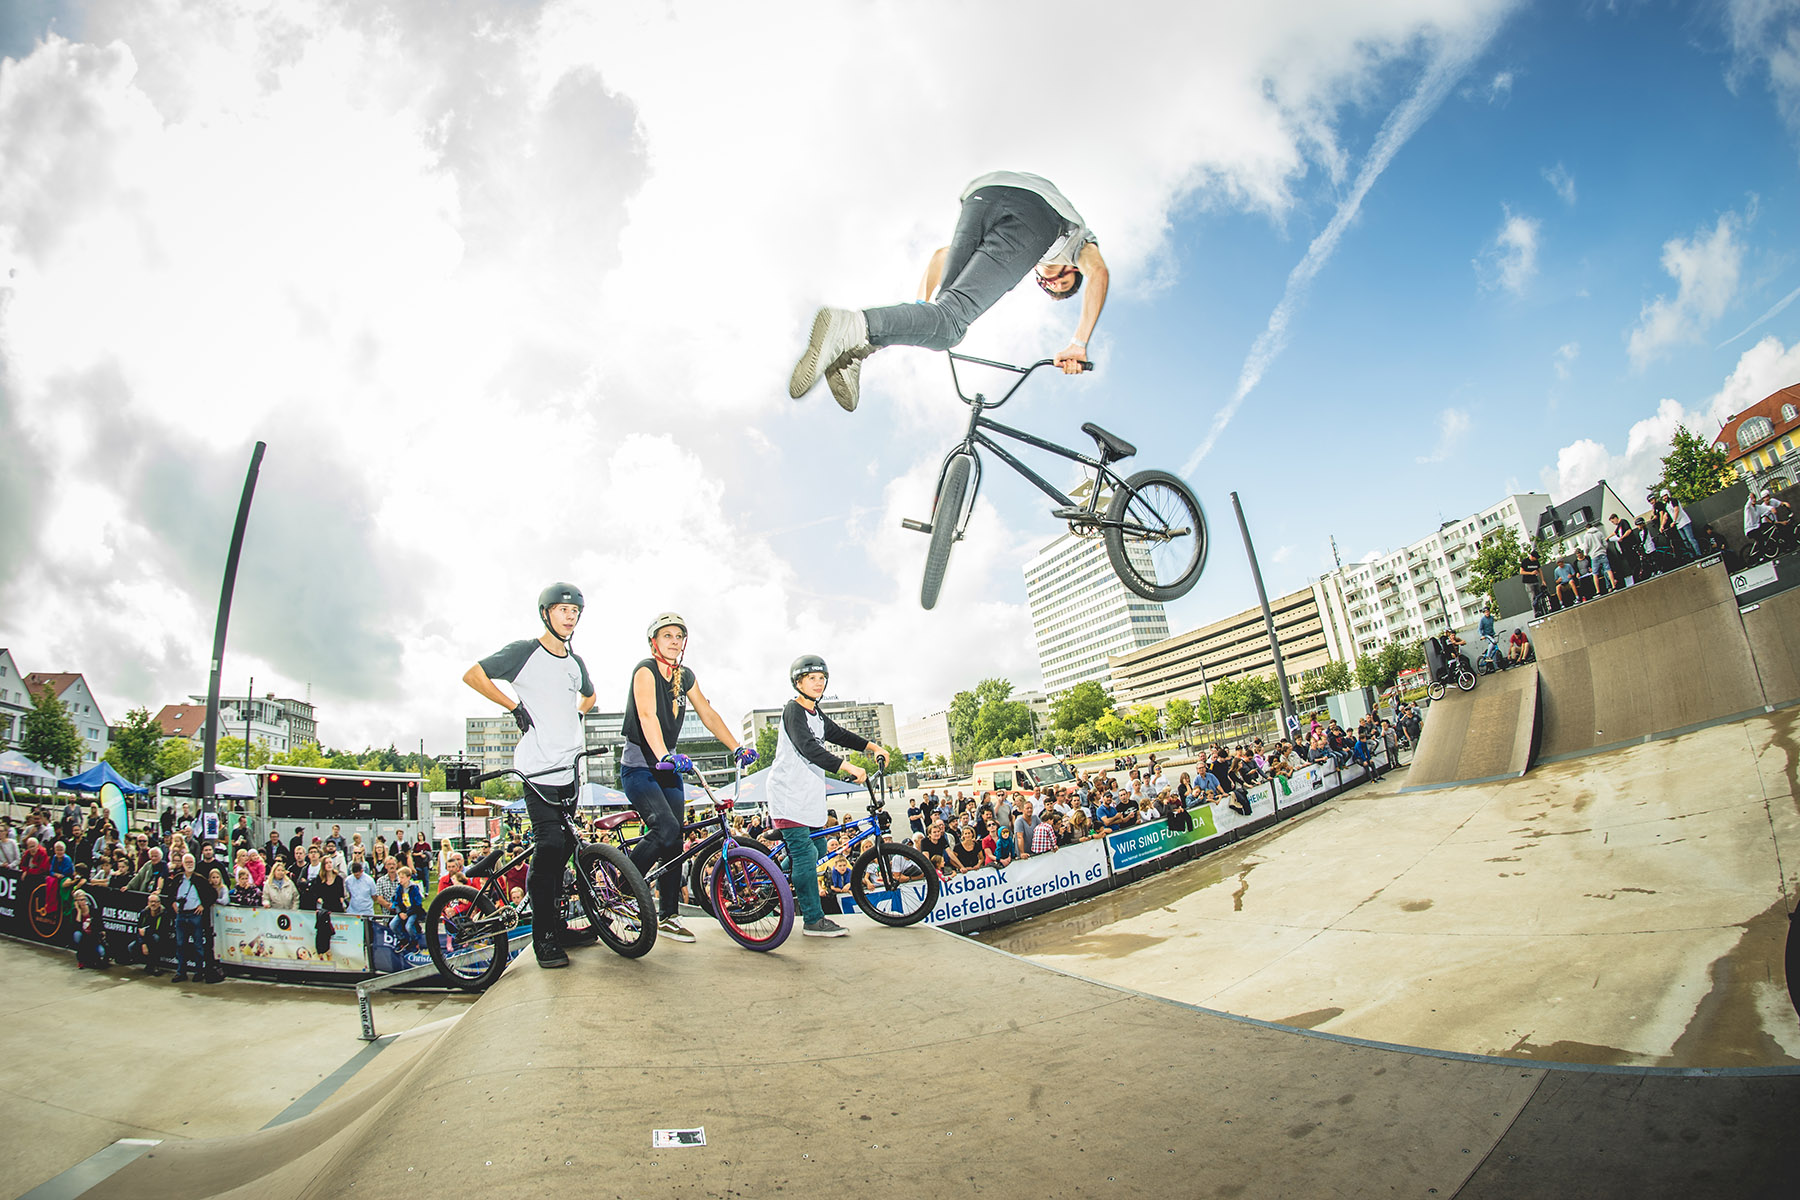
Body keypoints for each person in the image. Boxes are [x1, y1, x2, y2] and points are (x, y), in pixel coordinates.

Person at [789, 170, 1110, 412]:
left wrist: (919, 308)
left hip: (983, 193)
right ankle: (853, 326)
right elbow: (1098, 272)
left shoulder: (1026, 253)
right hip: (1039, 211)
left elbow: (940, 257)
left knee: (941, 321)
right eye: (1059, 281)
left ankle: (853, 349)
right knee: (951, 325)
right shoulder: (1077, 245)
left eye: (1050, 286)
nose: (1049, 281)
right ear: (1072, 269)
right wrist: (1078, 344)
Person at [463, 583, 599, 969]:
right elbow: (473, 675)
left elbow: (590, 695)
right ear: (545, 613)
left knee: (569, 850)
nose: (570, 616)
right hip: (537, 769)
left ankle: (560, 924)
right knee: (550, 846)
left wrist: (577, 716)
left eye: (575, 611)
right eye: (562, 610)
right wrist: (514, 706)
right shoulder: (525, 651)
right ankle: (544, 939)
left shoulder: (575, 663)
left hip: (568, 768)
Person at [617, 612, 757, 945]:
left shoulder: (686, 676)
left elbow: (707, 713)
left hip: (670, 770)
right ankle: (623, 888)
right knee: (663, 828)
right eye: (667, 636)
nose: (674, 642)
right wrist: (664, 754)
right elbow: (648, 715)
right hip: (640, 767)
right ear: (654, 641)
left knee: (674, 841)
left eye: (679, 637)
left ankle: (669, 916)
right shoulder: (645, 670)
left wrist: (737, 747)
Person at [766, 655, 885, 939]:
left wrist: (872, 746)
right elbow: (809, 748)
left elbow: (840, 735)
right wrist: (846, 766)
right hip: (787, 794)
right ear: (798, 682)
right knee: (805, 854)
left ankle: (774, 877)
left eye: (822, 678)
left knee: (818, 852)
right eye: (811, 678)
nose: (818, 683)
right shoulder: (793, 711)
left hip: (808, 796)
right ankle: (813, 920)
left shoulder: (817, 715)